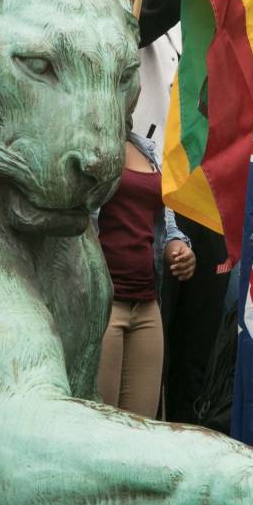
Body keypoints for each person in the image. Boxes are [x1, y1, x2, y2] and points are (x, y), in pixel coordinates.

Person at [94, 129, 195, 417]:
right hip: (104, 307)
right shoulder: (88, 142)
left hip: (147, 306)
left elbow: (165, 224)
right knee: (102, 429)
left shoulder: (146, 148)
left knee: (143, 430)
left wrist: (179, 248)